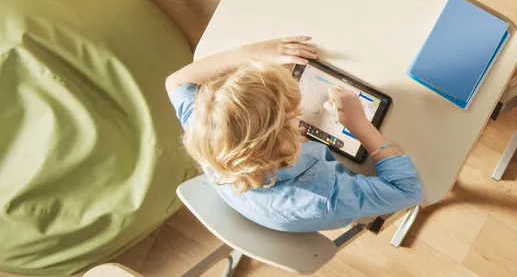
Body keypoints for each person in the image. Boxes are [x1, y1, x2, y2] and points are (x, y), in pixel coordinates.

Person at [165, 37, 423, 232]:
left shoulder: (208, 128)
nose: (297, 115)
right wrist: (359, 126)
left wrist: (253, 53)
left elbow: (175, 82)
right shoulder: (322, 196)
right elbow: (408, 191)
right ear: (288, 142)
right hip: (327, 204)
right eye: (292, 116)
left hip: (256, 202)